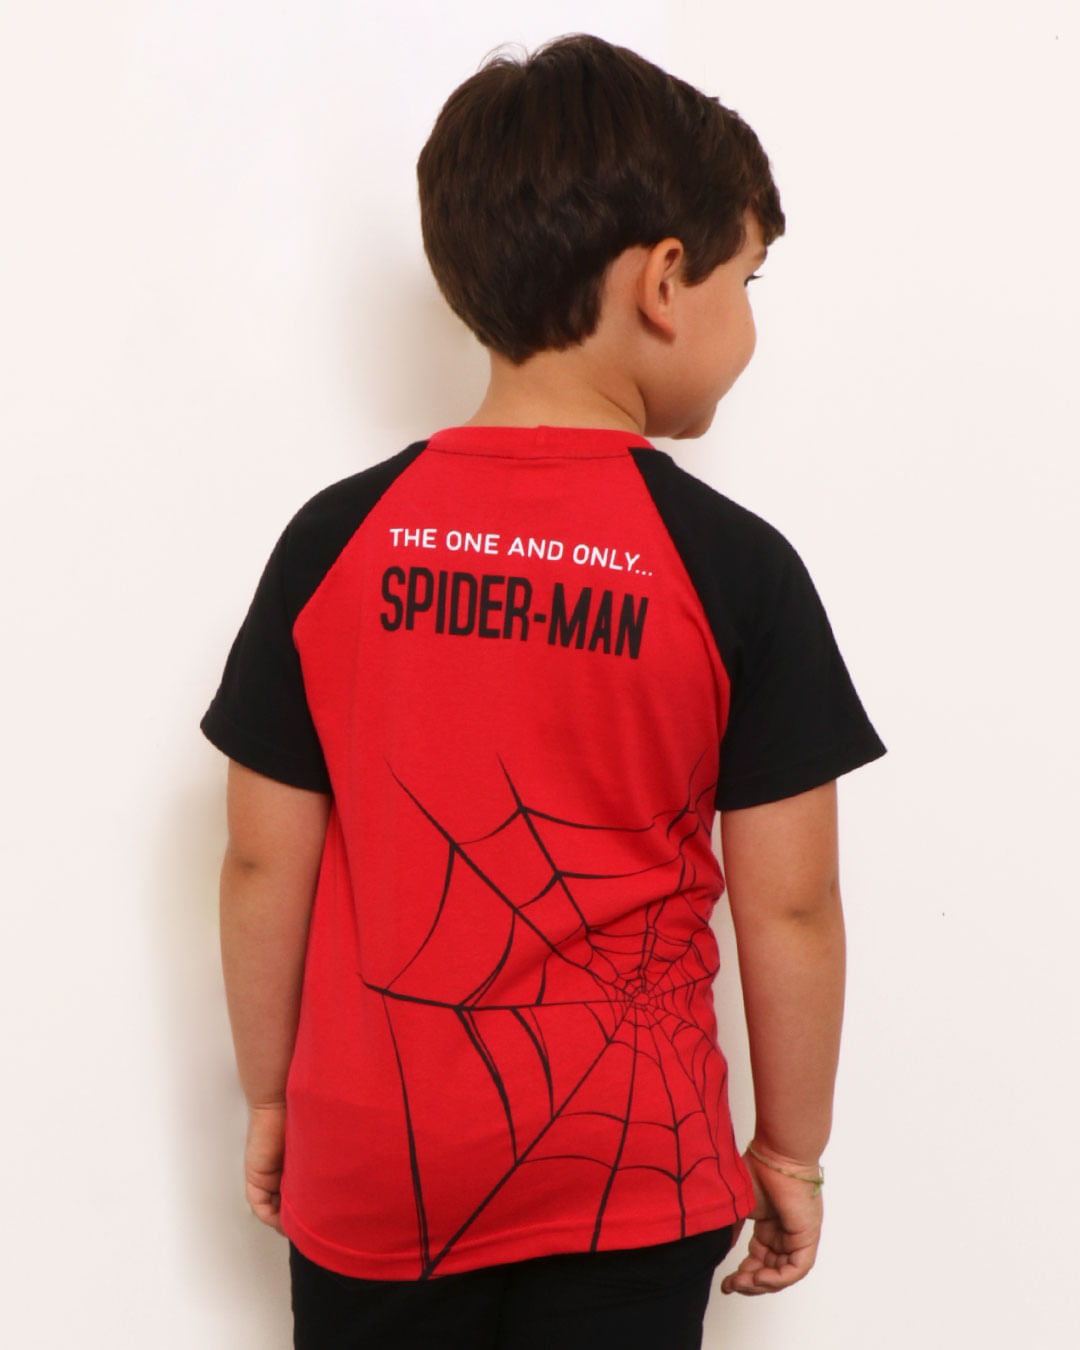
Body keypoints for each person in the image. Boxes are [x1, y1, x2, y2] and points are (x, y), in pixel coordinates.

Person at [201, 33, 885, 1350]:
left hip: (374, 1155)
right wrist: (790, 1150)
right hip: (637, 1174)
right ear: (667, 283)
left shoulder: (336, 542)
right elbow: (792, 903)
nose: (751, 319)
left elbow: (259, 860)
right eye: (748, 279)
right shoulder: (734, 569)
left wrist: (273, 1097)